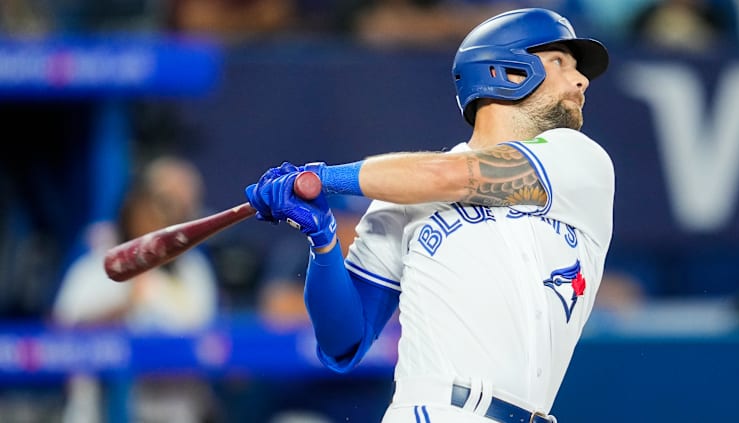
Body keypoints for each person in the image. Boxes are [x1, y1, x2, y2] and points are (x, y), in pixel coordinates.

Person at [246, 7, 613, 423]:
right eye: (560, 63)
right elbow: (341, 344)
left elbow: (452, 175)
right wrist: (324, 241)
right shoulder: (401, 195)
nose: (581, 79)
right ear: (508, 71)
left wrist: (324, 178)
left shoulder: (580, 161)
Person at [52, 157, 220, 423]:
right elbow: (58, 336)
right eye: (151, 207)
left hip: (174, 410)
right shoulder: (99, 266)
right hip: (99, 412)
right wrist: (123, 309)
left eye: (169, 209)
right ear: (131, 210)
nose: (157, 219)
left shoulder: (193, 269)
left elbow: (206, 341)